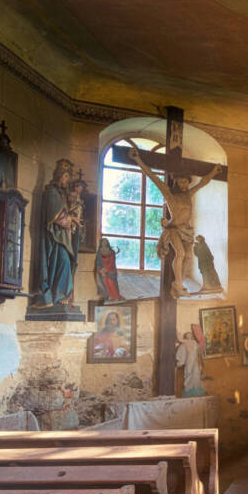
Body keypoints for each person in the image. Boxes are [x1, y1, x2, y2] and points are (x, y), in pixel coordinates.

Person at [127, 143, 222, 299]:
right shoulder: (170, 194)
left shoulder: (188, 194)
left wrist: (213, 172)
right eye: (182, 182)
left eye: (186, 182)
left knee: (189, 257)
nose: (185, 184)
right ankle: (177, 284)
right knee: (181, 253)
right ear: (176, 182)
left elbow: (203, 182)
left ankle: (179, 283)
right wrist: (138, 160)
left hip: (186, 230)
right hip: (173, 228)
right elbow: (153, 177)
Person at [34, 159, 79, 309]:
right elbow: (56, 216)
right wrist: (71, 218)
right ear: (60, 176)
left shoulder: (60, 194)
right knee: (64, 262)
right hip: (55, 238)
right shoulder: (52, 192)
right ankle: (56, 296)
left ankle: (60, 295)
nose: (67, 181)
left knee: (64, 263)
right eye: (66, 177)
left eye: (68, 178)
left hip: (61, 238)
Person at [94, 237, 123, 302]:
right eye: (103, 242)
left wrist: (106, 271)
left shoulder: (112, 252)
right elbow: (98, 263)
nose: (104, 243)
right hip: (102, 271)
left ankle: (115, 297)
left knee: (111, 282)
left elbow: (112, 263)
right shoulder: (99, 252)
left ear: (108, 243)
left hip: (111, 271)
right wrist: (101, 270)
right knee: (105, 281)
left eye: (105, 242)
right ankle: (108, 297)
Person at [176, 330, 205, 397]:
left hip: (195, 360)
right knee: (188, 373)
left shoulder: (194, 342)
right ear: (186, 336)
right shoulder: (185, 342)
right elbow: (180, 339)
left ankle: (196, 388)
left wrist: (200, 362)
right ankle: (188, 388)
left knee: (196, 373)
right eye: (187, 335)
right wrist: (177, 333)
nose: (189, 335)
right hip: (189, 360)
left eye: (190, 334)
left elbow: (199, 353)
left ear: (192, 336)